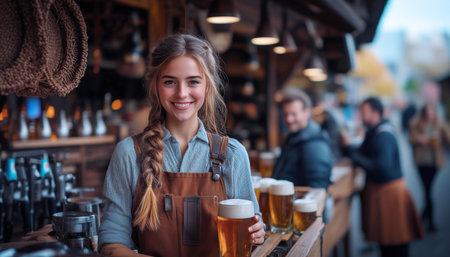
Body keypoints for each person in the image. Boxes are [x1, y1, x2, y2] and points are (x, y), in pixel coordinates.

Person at [98, 34, 265, 257]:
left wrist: (257, 231)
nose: (182, 93)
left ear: (207, 86)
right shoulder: (128, 153)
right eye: (169, 82)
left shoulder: (233, 154)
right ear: (156, 86)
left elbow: (252, 229)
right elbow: (111, 245)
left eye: (193, 81)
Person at [341, 97, 424, 257]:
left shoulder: (383, 134)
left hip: (390, 194)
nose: (361, 115)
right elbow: (361, 153)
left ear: (376, 113)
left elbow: (381, 168)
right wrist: (348, 148)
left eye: (364, 112)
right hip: (383, 192)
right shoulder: (374, 131)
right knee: (386, 245)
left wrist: (350, 152)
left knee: (395, 245)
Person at [271, 89, 333, 189]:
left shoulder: (315, 141)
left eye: (293, 114)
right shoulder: (292, 136)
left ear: (307, 113)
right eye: (285, 114)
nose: (288, 119)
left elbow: (318, 188)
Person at [408, 103, 450, 232]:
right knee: (427, 190)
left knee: (428, 190)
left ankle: (424, 218)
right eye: (428, 112)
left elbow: (448, 138)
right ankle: (426, 219)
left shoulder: (439, 124)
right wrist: (419, 139)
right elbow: (410, 138)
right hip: (421, 161)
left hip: (434, 162)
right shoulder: (416, 123)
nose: (430, 115)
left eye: (432, 112)